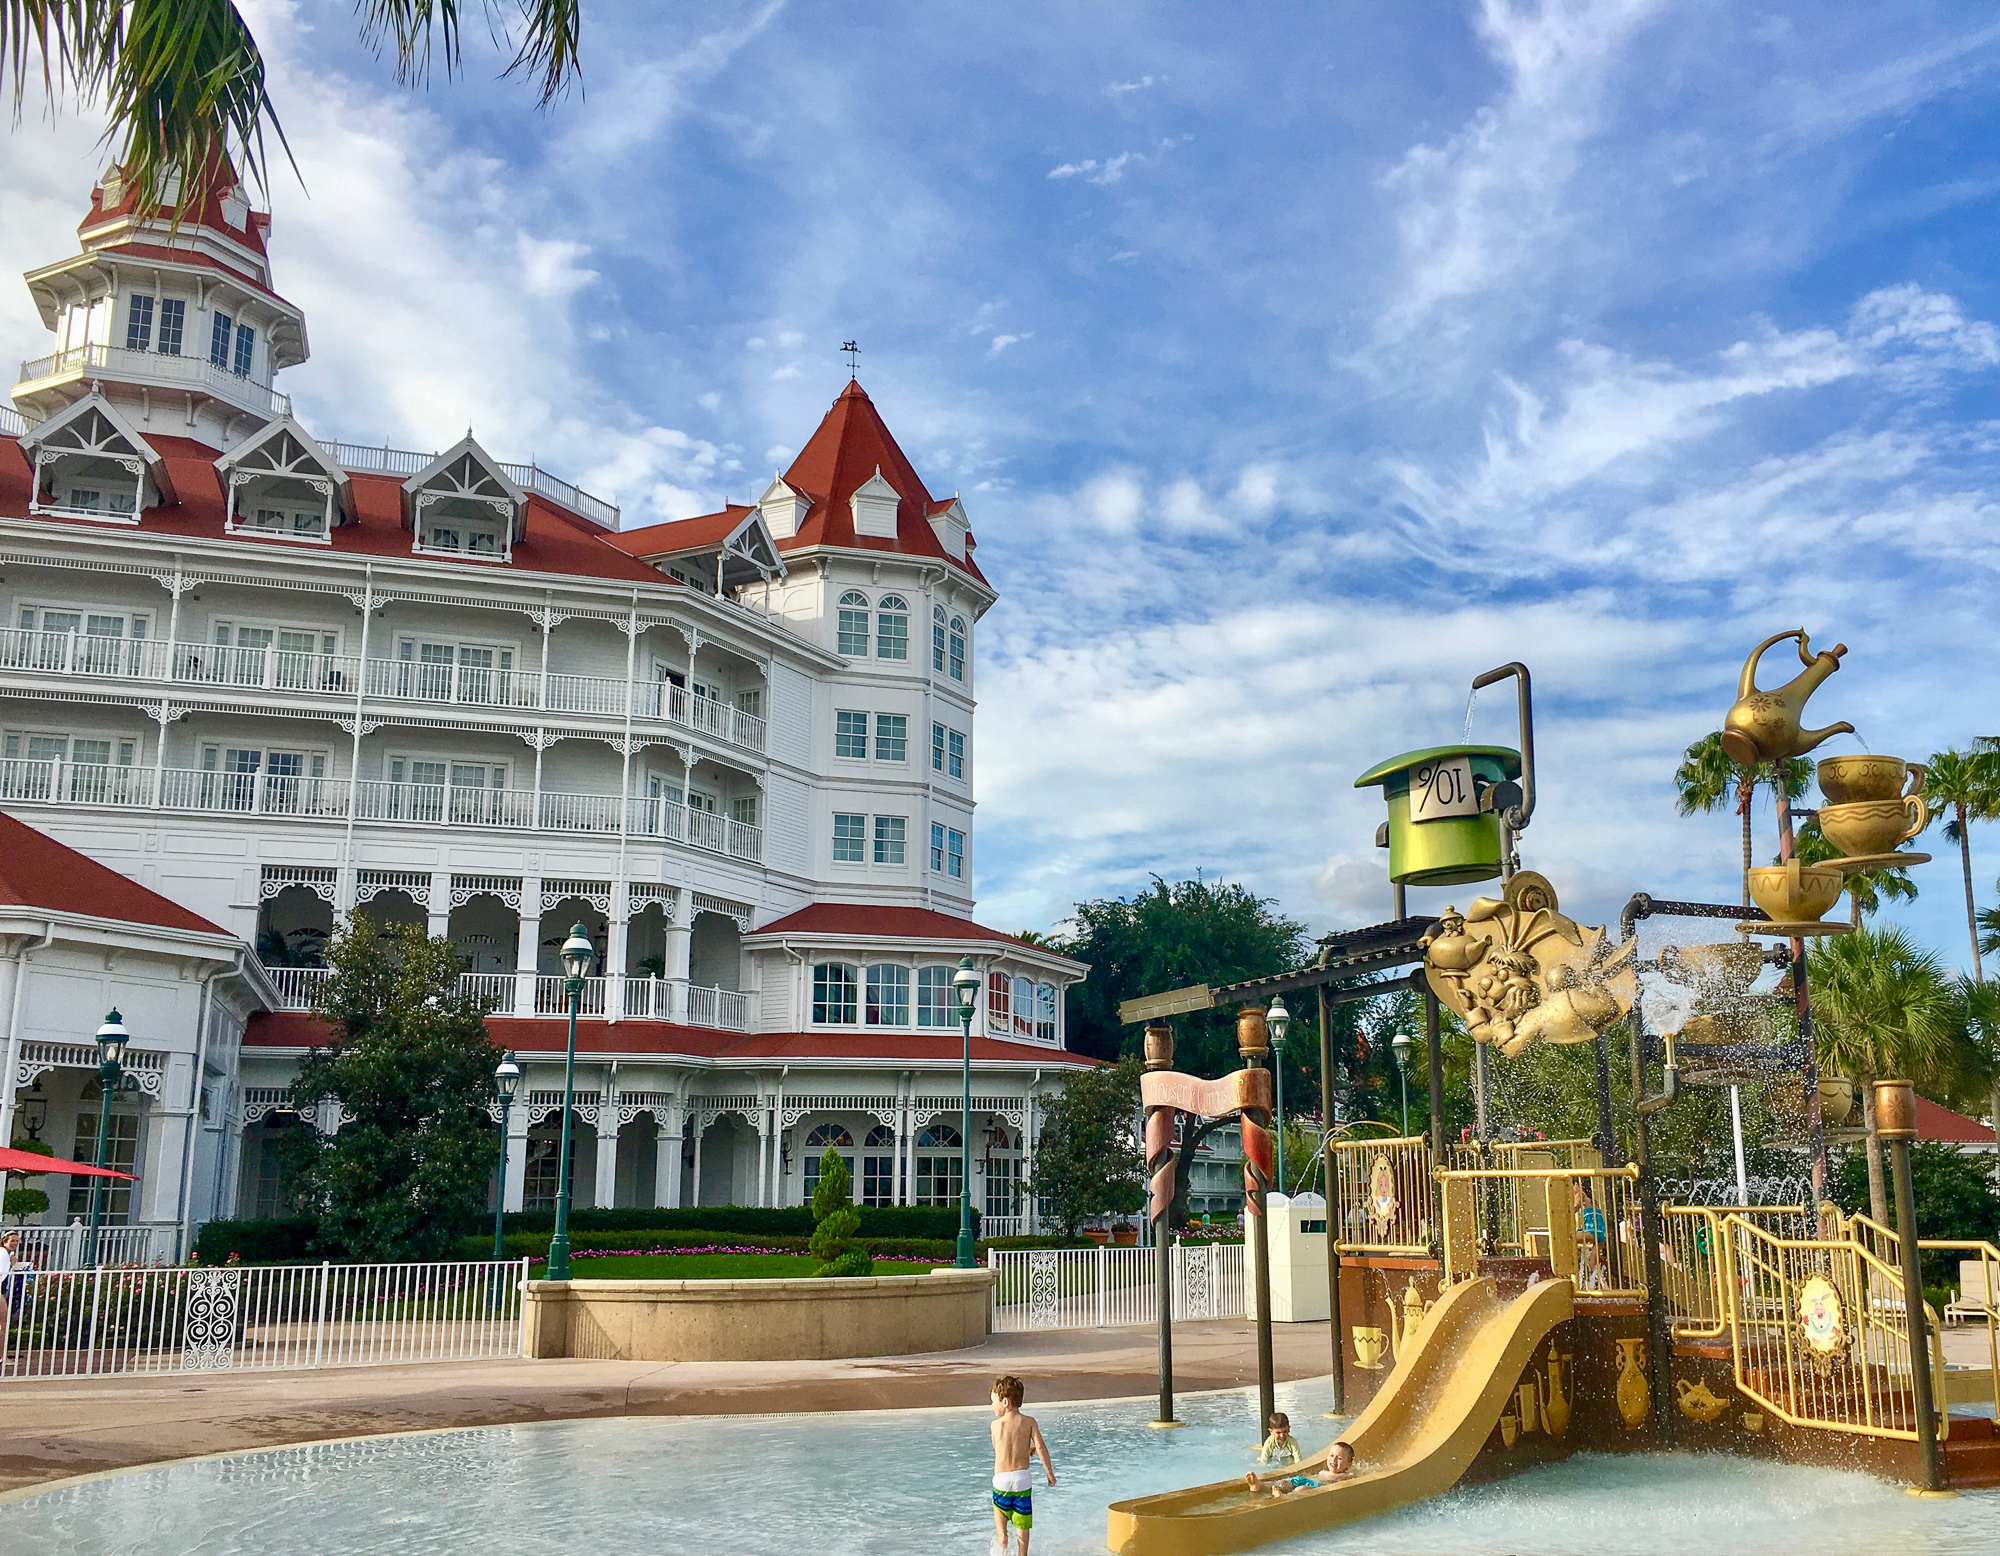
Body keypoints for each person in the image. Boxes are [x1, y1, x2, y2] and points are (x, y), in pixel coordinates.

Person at [990, 1374, 1055, 1556]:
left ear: (1005, 1402)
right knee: (1022, 1529)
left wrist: (1021, 1451)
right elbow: (1041, 1447)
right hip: (1022, 1480)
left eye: (993, 1401)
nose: (991, 1405)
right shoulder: (1029, 1421)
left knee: (1002, 1534)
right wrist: (1049, 1473)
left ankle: (1001, 1547)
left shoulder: (995, 1426)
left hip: (1002, 1481)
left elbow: (1001, 1451)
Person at [1246, 1440, 1354, 1497]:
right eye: (1331, 1456)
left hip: (1317, 1486)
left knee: (1301, 1489)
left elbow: (1352, 1477)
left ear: (1348, 1465)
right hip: (1305, 1480)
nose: (1333, 1460)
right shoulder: (1323, 1472)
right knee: (1282, 1482)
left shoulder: (1347, 1476)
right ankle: (1260, 1485)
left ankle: (1284, 1497)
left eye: (1339, 1458)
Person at [1573, 1181, 1608, 1291]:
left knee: (1568, 1237)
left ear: (1577, 1185)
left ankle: (1571, 1273)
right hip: (1601, 1232)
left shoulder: (1580, 1195)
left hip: (1593, 1230)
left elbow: (1574, 1208)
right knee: (1593, 1262)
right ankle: (1606, 1287)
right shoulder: (1593, 1200)